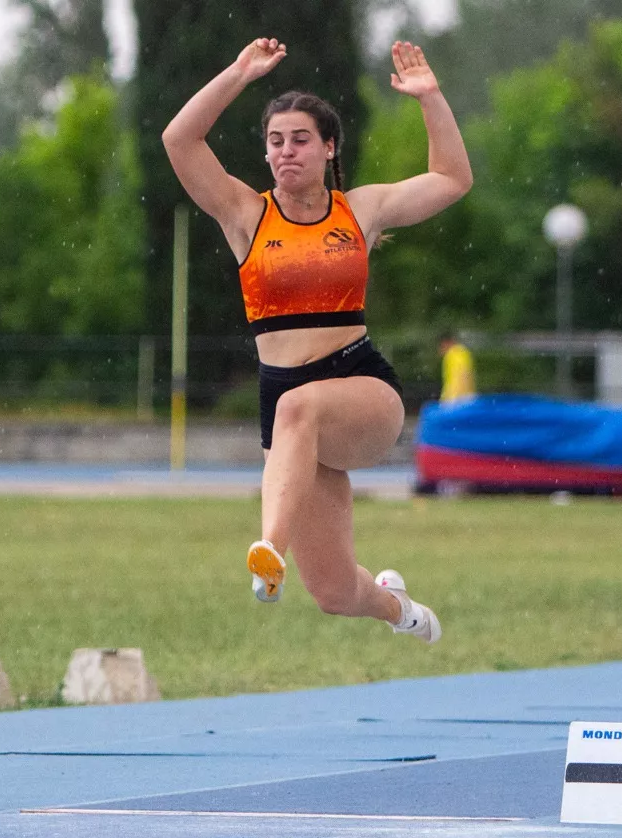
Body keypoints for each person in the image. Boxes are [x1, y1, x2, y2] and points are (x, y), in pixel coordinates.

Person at [162, 38, 472, 641]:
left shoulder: (359, 210)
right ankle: (401, 609)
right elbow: (179, 140)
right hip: (288, 417)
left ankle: (267, 551)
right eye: (275, 141)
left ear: (329, 147)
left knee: (298, 405)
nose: (285, 151)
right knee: (334, 592)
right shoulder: (245, 215)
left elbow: (452, 178)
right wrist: (236, 73)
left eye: (300, 139)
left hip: (359, 388)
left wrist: (430, 98)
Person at [438, 331, 476, 403]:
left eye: (441, 346)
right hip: (466, 397)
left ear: (446, 343)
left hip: (455, 398)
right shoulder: (463, 352)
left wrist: (448, 398)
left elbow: (460, 376)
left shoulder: (453, 354)